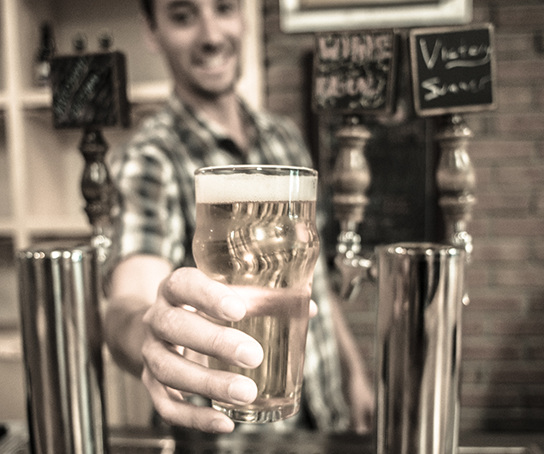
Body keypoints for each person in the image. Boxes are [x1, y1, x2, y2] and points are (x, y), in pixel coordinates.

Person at [104, 0, 374, 435]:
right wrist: (152, 334)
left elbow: (311, 275)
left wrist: (355, 373)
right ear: (152, 32)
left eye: (224, 8)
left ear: (242, 17)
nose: (211, 36)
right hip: (225, 439)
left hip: (323, 419)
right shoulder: (150, 159)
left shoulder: (284, 139)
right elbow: (126, 307)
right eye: (183, 15)